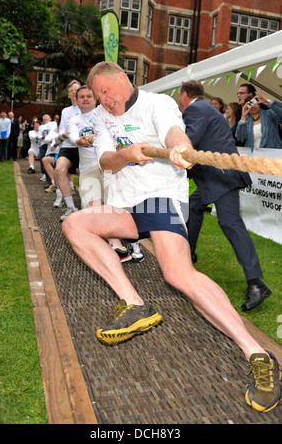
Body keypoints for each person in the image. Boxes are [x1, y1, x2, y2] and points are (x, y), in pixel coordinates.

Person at [62, 62, 281, 413]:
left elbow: (175, 134)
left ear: (123, 80)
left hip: (161, 198)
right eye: (98, 96)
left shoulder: (157, 103)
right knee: (75, 225)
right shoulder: (103, 117)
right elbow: (104, 161)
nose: (103, 100)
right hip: (124, 205)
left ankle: (258, 353)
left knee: (178, 275)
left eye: (106, 91)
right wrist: (127, 154)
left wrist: (178, 147)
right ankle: (134, 304)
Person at [178, 80, 272, 312]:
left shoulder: (195, 109)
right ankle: (189, 251)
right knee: (195, 204)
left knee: (230, 223)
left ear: (184, 95)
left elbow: (188, 142)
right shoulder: (206, 108)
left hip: (221, 176)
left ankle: (256, 283)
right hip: (216, 175)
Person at [67, 84, 141, 262]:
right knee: (95, 209)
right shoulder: (74, 120)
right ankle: (116, 246)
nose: (85, 99)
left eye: (89, 96)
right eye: (82, 96)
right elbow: (72, 137)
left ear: (95, 99)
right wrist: (80, 140)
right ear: (77, 100)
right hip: (88, 170)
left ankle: (134, 241)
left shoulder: (106, 115)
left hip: (109, 166)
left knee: (116, 205)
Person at [54, 80, 81, 221]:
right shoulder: (66, 111)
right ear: (68, 95)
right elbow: (61, 132)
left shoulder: (89, 108)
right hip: (68, 147)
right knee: (59, 170)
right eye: (71, 91)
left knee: (84, 174)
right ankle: (70, 207)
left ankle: (87, 206)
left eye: (76, 90)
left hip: (83, 148)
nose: (74, 93)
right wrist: (68, 135)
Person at [39, 114, 58, 184]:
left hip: (51, 144)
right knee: (42, 158)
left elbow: (53, 131)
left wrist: (49, 138)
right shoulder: (41, 127)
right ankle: (46, 176)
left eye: (46, 116)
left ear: (50, 118)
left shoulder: (53, 123)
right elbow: (39, 136)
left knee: (51, 161)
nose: (44, 116)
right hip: (44, 144)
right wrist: (43, 137)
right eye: (43, 116)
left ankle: (51, 179)